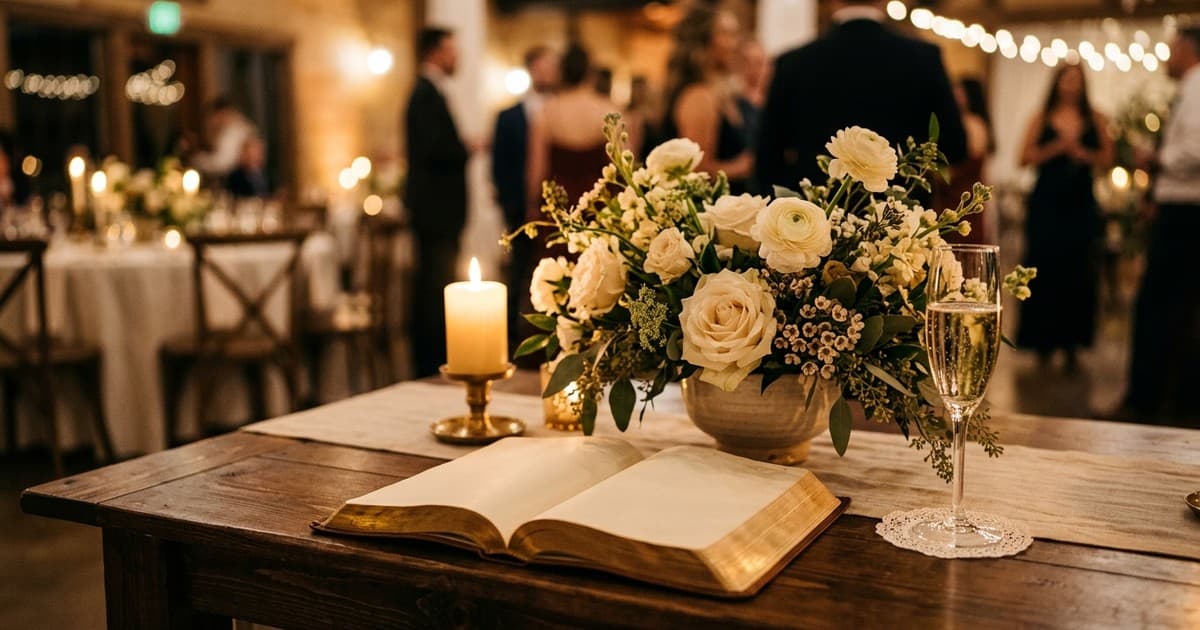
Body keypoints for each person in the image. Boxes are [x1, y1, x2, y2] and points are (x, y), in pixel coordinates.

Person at [756, 0, 967, 195]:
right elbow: (954, 147)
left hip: (815, 214)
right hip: (900, 216)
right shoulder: (924, 58)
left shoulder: (793, 62)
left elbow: (767, 155)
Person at [1124, 28, 1200, 426]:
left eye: (1172, 48)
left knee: (1162, 306)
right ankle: (1164, 399)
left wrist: (1156, 158)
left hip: (1186, 215)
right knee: (1174, 306)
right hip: (1178, 209)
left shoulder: (1198, 87)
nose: (1168, 56)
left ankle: (1152, 401)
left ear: (1187, 49)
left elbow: (1195, 150)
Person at [1015, 64, 1113, 372]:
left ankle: (1073, 344)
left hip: (1080, 206)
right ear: (1056, 83)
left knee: (1079, 271)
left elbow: (1108, 158)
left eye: (1076, 81)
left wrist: (1085, 155)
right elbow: (1023, 158)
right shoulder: (1041, 117)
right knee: (1044, 269)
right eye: (1066, 79)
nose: (1071, 86)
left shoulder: (1095, 118)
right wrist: (1057, 148)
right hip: (1047, 205)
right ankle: (1042, 343)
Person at [405, 27, 471, 377]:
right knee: (434, 288)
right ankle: (431, 364)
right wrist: (465, 148)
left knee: (437, 284)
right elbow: (434, 148)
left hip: (439, 212)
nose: (456, 56)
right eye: (451, 49)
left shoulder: (432, 92)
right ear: (434, 53)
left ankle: (435, 358)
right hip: (436, 212)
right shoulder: (425, 93)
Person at [492, 46, 560, 356]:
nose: (551, 72)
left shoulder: (562, 111)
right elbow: (500, 165)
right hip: (520, 209)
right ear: (532, 69)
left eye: (554, 66)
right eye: (545, 66)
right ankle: (511, 339)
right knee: (518, 273)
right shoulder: (508, 117)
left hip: (559, 209)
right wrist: (511, 205)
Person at [661, 5, 754, 193]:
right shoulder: (697, 96)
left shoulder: (721, 93)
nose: (736, 44)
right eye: (726, 34)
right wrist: (744, 165)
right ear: (703, 42)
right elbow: (696, 170)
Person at [527, 44, 618, 209]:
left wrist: (533, 206)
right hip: (599, 202)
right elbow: (621, 163)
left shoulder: (547, 112)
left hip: (559, 202)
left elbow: (537, 168)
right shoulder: (607, 110)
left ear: (562, 73)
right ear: (590, 73)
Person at [937, 78, 993, 244]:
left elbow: (970, 164)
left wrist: (938, 175)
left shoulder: (973, 124)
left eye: (958, 90)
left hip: (961, 192)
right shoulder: (948, 121)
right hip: (945, 194)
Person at [189, 96, 257, 182]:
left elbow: (222, 164)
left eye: (213, 115)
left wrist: (196, 161)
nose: (212, 121)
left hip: (243, 180)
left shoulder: (233, 131)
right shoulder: (236, 127)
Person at [737, 38, 770, 193]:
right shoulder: (734, 101)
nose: (759, 69)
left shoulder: (771, 99)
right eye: (750, 63)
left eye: (761, 63)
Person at [225, 135, 270, 199]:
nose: (254, 156)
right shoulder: (235, 177)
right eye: (251, 153)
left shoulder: (266, 174)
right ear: (244, 154)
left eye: (258, 152)